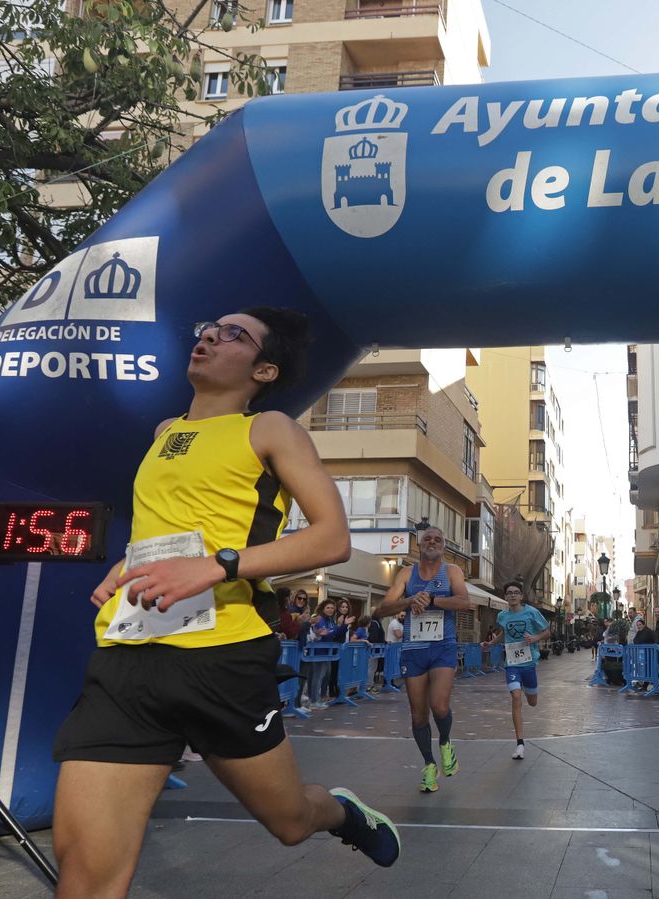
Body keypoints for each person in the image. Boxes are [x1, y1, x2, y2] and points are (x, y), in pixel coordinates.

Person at [51, 309, 399, 897]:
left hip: (223, 657)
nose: (209, 335)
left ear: (265, 368)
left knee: (289, 823)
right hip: (127, 656)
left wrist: (218, 566)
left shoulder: (270, 429)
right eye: (207, 328)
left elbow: (331, 538)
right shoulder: (164, 432)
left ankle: (342, 813)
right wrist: (128, 563)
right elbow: (167, 527)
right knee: (85, 871)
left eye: (233, 334)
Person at [374, 525, 471, 793]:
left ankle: (445, 742)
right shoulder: (407, 573)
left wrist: (431, 601)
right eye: (427, 538)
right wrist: (409, 601)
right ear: (419, 544)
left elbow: (464, 602)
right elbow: (382, 608)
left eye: (438, 539)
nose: (432, 542)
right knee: (418, 715)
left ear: (444, 545)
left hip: (443, 646)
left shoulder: (452, 571)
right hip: (413, 649)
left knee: (439, 706)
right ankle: (429, 765)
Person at [483, 581, 551, 759]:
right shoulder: (502, 616)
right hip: (512, 663)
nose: (512, 595)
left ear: (521, 596)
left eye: (516, 592)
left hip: (529, 664)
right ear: (505, 597)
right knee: (515, 696)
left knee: (533, 701)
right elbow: (504, 634)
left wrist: (535, 637)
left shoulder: (531, 612)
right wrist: (490, 644)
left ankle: (529, 692)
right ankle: (520, 744)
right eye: (509, 593)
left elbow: (547, 631)